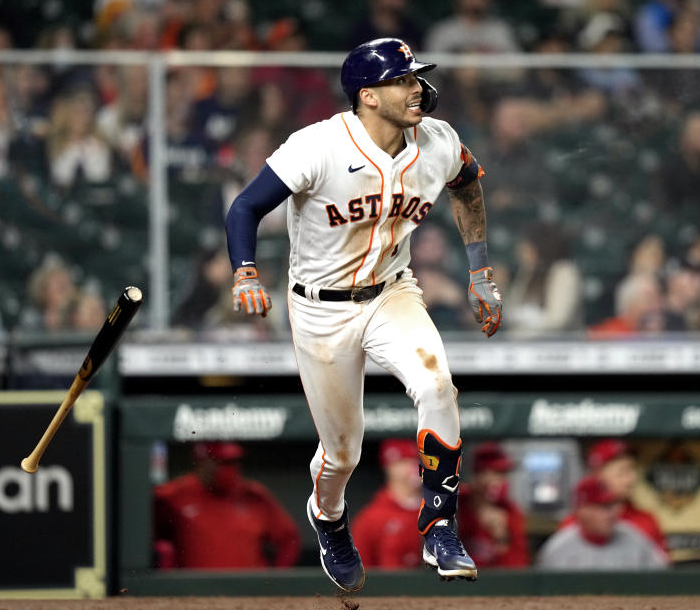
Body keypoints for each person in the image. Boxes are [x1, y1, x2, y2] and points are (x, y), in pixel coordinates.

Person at [224, 38, 503, 592]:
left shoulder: (438, 141)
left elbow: (467, 185)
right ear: (369, 96)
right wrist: (245, 272)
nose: (416, 88)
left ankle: (440, 525)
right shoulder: (319, 145)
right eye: (403, 80)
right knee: (343, 452)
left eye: (416, 78)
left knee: (438, 386)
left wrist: (479, 273)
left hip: (390, 292)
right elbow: (245, 207)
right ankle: (327, 517)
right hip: (320, 308)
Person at [153, 441, 301, 570]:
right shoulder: (174, 495)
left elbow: (289, 539)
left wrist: (274, 581)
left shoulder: (254, 495)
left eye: (233, 462)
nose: (230, 469)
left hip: (252, 594)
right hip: (196, 594)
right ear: (201, 462)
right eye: (222, 462)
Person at [536, 475, 669, 570]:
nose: (612, 514)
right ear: (582, 511)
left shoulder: (636, 539)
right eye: (603, 507)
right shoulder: (557, 549)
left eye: (613, 505)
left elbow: (663, 583)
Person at [558, 439, 666, 551]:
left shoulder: (646, 521)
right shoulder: (575, 523)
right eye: (623, 471)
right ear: (597, 474)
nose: (631, 478)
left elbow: (659, 565)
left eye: (633, 470)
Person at [351, 439, 423, 569]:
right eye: (405, 461)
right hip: (391, 588)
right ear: (390, 467)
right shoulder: (371, 518)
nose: (414, 466)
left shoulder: (444, 506)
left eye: (418, 460)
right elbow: (357, 573)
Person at [457, 442, 529, 568]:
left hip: (496, 585)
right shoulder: (457, 503)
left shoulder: (511, 512)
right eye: (496, 473)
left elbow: (518, 567)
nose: (501, 480)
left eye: (504, 474)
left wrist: (501, 537)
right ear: (477, 476)